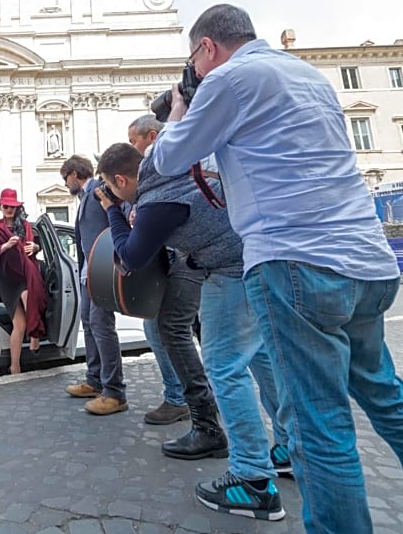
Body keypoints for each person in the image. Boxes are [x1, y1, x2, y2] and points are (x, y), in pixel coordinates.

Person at [150, 3, 403, 534]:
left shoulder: (230, 79)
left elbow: (168, 158)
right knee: (390, 401)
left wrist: (177, 108)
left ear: (207, 48)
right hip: (368, 262)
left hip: (297, 264)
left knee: (319, 427)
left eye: (193, 60)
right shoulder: (305, 74)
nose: (193, 71)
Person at [97, 142, 289, 521]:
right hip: (254, 260)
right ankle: (287, 448)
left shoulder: (155, 199)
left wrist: (113, 211)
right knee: (260, 358)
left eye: (112, 186)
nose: (112, 192)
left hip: (229, 272)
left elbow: (130, 257)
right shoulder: (173, 171)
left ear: (120, 180)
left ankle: (254, 481)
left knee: (224, 367)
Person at [126, 114, 189, 425]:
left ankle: (183, 398)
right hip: (183, 264)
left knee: (170, 332)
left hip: (185, 264)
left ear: (151, 137)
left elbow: (134, 253)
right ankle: (191, 397)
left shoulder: (164, 166)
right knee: (170, 332)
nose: (131, 149)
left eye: (133, 141)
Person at [60, 155, 127, 416]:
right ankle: (94, 380)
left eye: (66, 179)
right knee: (88, 322)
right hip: (88, 272)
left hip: (101, 270)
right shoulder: (85, 197)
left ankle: (114, 392)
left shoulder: (100, 188)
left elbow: (117, 215)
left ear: (75, 174)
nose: (66, 184)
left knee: (101, 326)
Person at [0, 188, 48, 375]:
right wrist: (6, 246)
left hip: (25, 273)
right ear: (1, 207)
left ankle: (35, 334)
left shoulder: (26, 225)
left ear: (17, 207)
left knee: (30, 298)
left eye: (12, 207)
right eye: (6, 206)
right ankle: (15, 365)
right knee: (18, 324)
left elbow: (32, 248)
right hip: (8, 279)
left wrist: (35, 246)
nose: (9, 210)